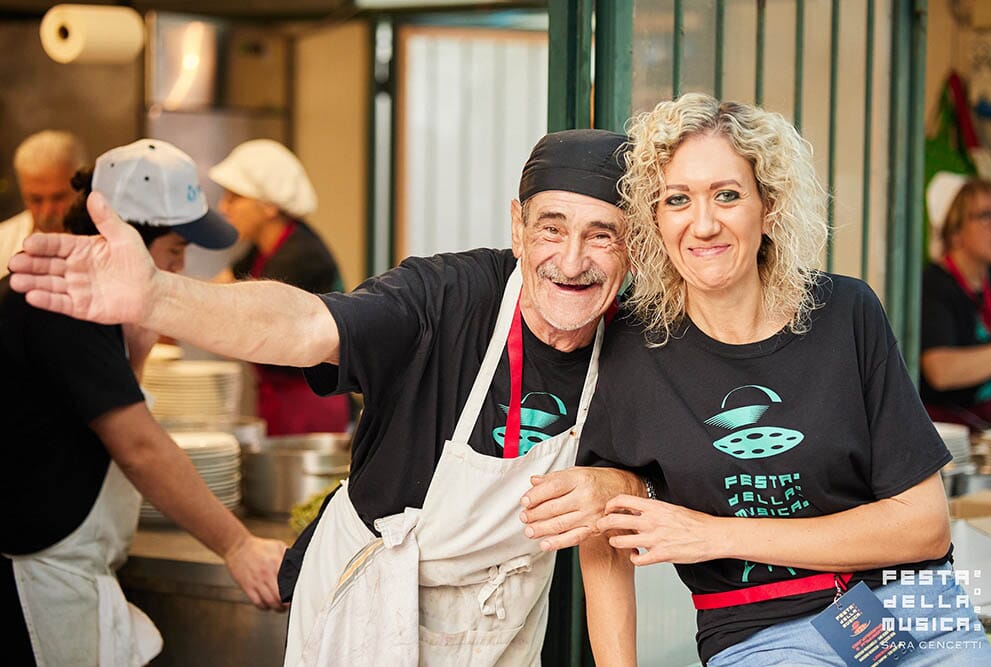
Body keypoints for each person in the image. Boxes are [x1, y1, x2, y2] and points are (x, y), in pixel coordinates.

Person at [6, 129, 645, 665]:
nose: (571, 260)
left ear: (633, 246)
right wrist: (159, 297)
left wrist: (627, 489)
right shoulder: (445, 298)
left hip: (502, 621)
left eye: (602, 235)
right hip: (371, 607)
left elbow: (614, 530)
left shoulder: (638, 342)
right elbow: (303, 325)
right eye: (551, 229)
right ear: (517, 225)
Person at [546, 93, 991, 666]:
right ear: (655, 219)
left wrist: (718, 533)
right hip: (760, 632)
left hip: (911, 609)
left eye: (727, 195)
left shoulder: (845, 313)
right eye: (677, 199)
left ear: (769, 207)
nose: (703, 225)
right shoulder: (632, 346)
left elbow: (925, 527)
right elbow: (602, 531)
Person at [1, 139, 288, 667]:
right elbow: (137, 446)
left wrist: (140, 336)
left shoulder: (94, 299)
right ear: (124, 237)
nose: (180, 269)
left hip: (71, 571)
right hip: (37, 583)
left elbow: (105, 413)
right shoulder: (59, 300)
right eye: (175, 252)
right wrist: (237, 546)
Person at [209, 139, 352, 436]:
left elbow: (248, 326)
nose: (223, 207)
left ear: (269, 206)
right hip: (279, 398)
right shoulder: (263, 248)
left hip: (312, 402)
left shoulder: (300, 256)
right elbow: (221, 290)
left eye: (234, 197)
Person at [920, 177, 991, 430]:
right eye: (986, 216)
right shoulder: (934, 284)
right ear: (955, 232)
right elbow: (941, 372)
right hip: (943, 430)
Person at [0, 130, 86, 277]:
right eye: (36, 199)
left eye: (58, 197)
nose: (47, 211)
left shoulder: (113, 242)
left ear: (81, 188)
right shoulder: (3, 243)